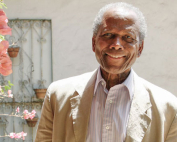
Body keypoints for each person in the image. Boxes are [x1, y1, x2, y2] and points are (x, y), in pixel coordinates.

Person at [35, 2, 177, 142]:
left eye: (128, 37)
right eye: (108, 34)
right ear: (93, 42)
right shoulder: (57, 96)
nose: (116, 45)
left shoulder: (168, 109)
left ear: (140, 48)